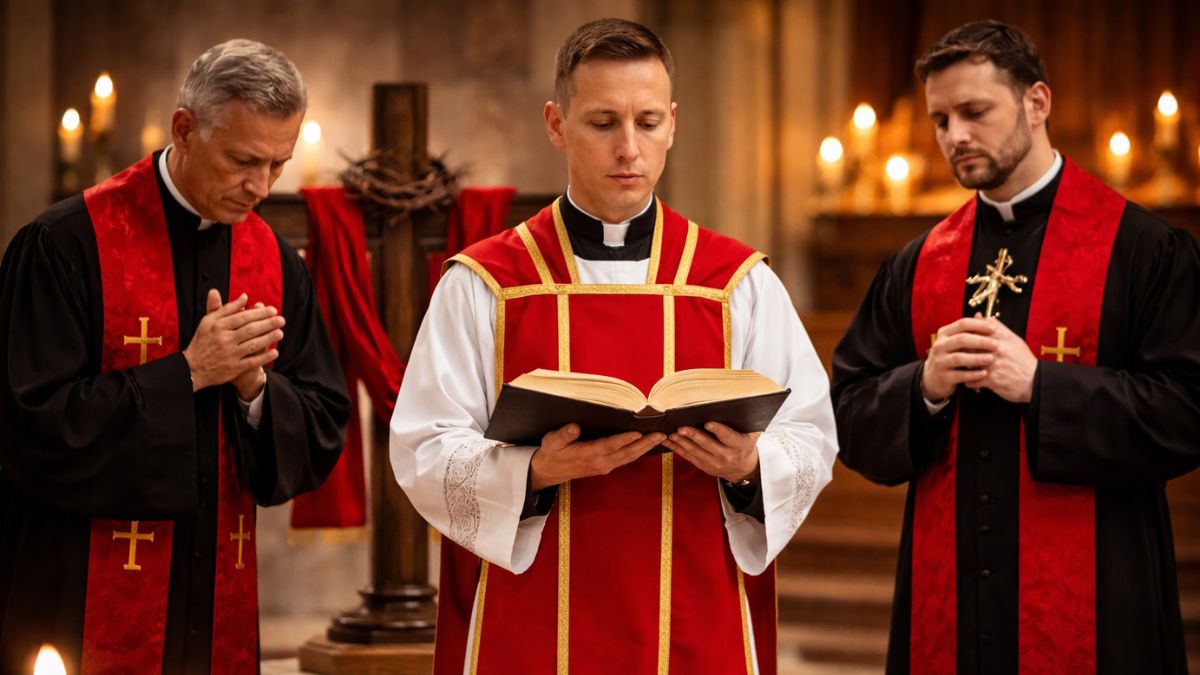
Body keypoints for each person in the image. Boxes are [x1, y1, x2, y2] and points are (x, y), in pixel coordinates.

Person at [390, 18, 836, 675]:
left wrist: (748, 465)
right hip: (532, 619)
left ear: (674, 125)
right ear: (556, 124)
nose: (630, 147)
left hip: (696, 614)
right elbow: (425, 447)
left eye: (648, 122)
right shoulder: (487, 284)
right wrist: (534, 472)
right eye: (603, 123)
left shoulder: (736, 283)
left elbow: (812, 436)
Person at [832, 20, 1200, 674]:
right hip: (952, 605)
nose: (955, 137)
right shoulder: (918, 265)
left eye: (974, 112)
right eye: (940, 119)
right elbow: (848, 412)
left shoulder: (1141, 249)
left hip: (1100, 599)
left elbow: (1188, 410)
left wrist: (1042, 385)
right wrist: (924, 387)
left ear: (1037, 103)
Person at [0, 39, 350, 674]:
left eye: (278, 164)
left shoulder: (273, 260)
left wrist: (254, 391)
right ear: (184, 129)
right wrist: (187, 373)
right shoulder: (64, 245)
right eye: (244, 160)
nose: (262, 188)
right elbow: (30, 425)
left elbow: (324, 419)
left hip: (218, 598)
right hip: (78, 596)